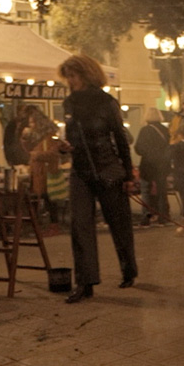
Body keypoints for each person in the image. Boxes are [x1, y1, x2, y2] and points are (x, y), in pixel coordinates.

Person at [59, 54, 138, 304]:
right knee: (80, 225)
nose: (70, 81)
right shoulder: (69, 103)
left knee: (119, 223)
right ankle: (85, 282)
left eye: (73, 76)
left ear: (86, 75)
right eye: (68, 76)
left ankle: (128, 269)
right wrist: (64, 147)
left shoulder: (106, 102)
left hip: (108, 169)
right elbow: (71, 136)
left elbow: (121, 139)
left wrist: (128, 174)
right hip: (80, 171)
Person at [22, 110, 63, 226]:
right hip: (38, 173)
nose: (30, 125)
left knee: (49, 199)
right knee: (39, 198)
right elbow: (28, 151)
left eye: (32, 122)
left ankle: (53, 224)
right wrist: (24, 139)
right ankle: (38, 224)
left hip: (46, 173)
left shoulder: (50, 137)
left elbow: (54, 154)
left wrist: (37, 155)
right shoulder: (35, 138)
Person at [134, 107, 172, 227]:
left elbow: (138, 148)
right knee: (162, 191)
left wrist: (147, 153)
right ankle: (163, 218)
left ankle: (146, 218)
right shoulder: (165, 130)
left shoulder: (144, 130)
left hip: (148, 165)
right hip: (162, 165)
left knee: (146, 191)